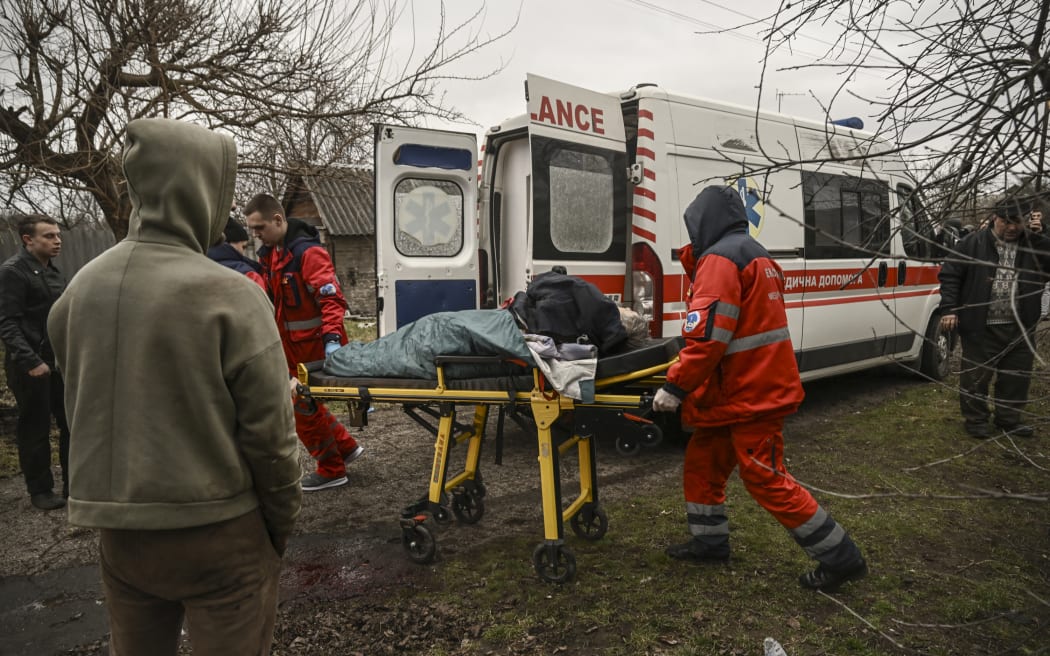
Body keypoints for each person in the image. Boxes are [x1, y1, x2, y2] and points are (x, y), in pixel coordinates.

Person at [47, 118, 302, 654]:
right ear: (202, 189)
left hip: (122, 534)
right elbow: (270, 436)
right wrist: (279, 523)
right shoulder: (230, 295)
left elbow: (81, 405)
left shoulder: (77, 291)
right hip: (220, 530)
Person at [652, 185, 868, 592]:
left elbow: (709, 340)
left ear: (703, 221)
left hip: (747, 394)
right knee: (703, 465)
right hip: (746, 390)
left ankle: (841, 558)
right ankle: (709, 542)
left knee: (766, 478)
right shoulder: (757, 255)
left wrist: (675, 387)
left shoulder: (719, 261)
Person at [243, 193, 364, 492]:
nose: (255, 235)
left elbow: (331, 299)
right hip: (292, 348)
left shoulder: (307, 254)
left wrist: (332, 339)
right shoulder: (273, 255)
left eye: (259, 228)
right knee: (303, 404)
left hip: (314, 348)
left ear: (278, 220)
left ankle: (332, 469)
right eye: (252, 229)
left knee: (298, 408)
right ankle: (345, 448)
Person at [938, 199, 1050, 438]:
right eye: (1006, 222)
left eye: (1017, 222)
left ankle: (1008, 420)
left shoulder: (1033, 245)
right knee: (976, 377)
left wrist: (1042, 233)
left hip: (1020, 326)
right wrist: (949, 309)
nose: (1011, 227)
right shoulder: (973, 243)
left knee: (1016, 377)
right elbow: (950, 275)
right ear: (994, 218)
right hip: (981, 325)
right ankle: (976, 420)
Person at [0, 214, 70, 511]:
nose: (57, 241)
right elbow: (6, 322)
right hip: (29, 364)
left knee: (70, 423)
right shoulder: (13, 272)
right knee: (35, 427)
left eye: (57, 235)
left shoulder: (53, 272)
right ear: (28, 240)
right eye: (49, 236)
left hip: (58, 361)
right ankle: (40, 490)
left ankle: (74, 483)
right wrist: (30, 360)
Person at [207, 215, 266, 289]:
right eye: (243, 247)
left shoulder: (201, 269)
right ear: (230, 243)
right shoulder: (249, 275)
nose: (243, 252)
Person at [1026, 207, 1049, 319]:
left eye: (1038, 216)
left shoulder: (1047, 231)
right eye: (1033, 216)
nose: (1035, 218)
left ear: (1042, 216)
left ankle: (1043, 313)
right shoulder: (1024, 231)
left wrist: (1040, 235)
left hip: (1042, 272)